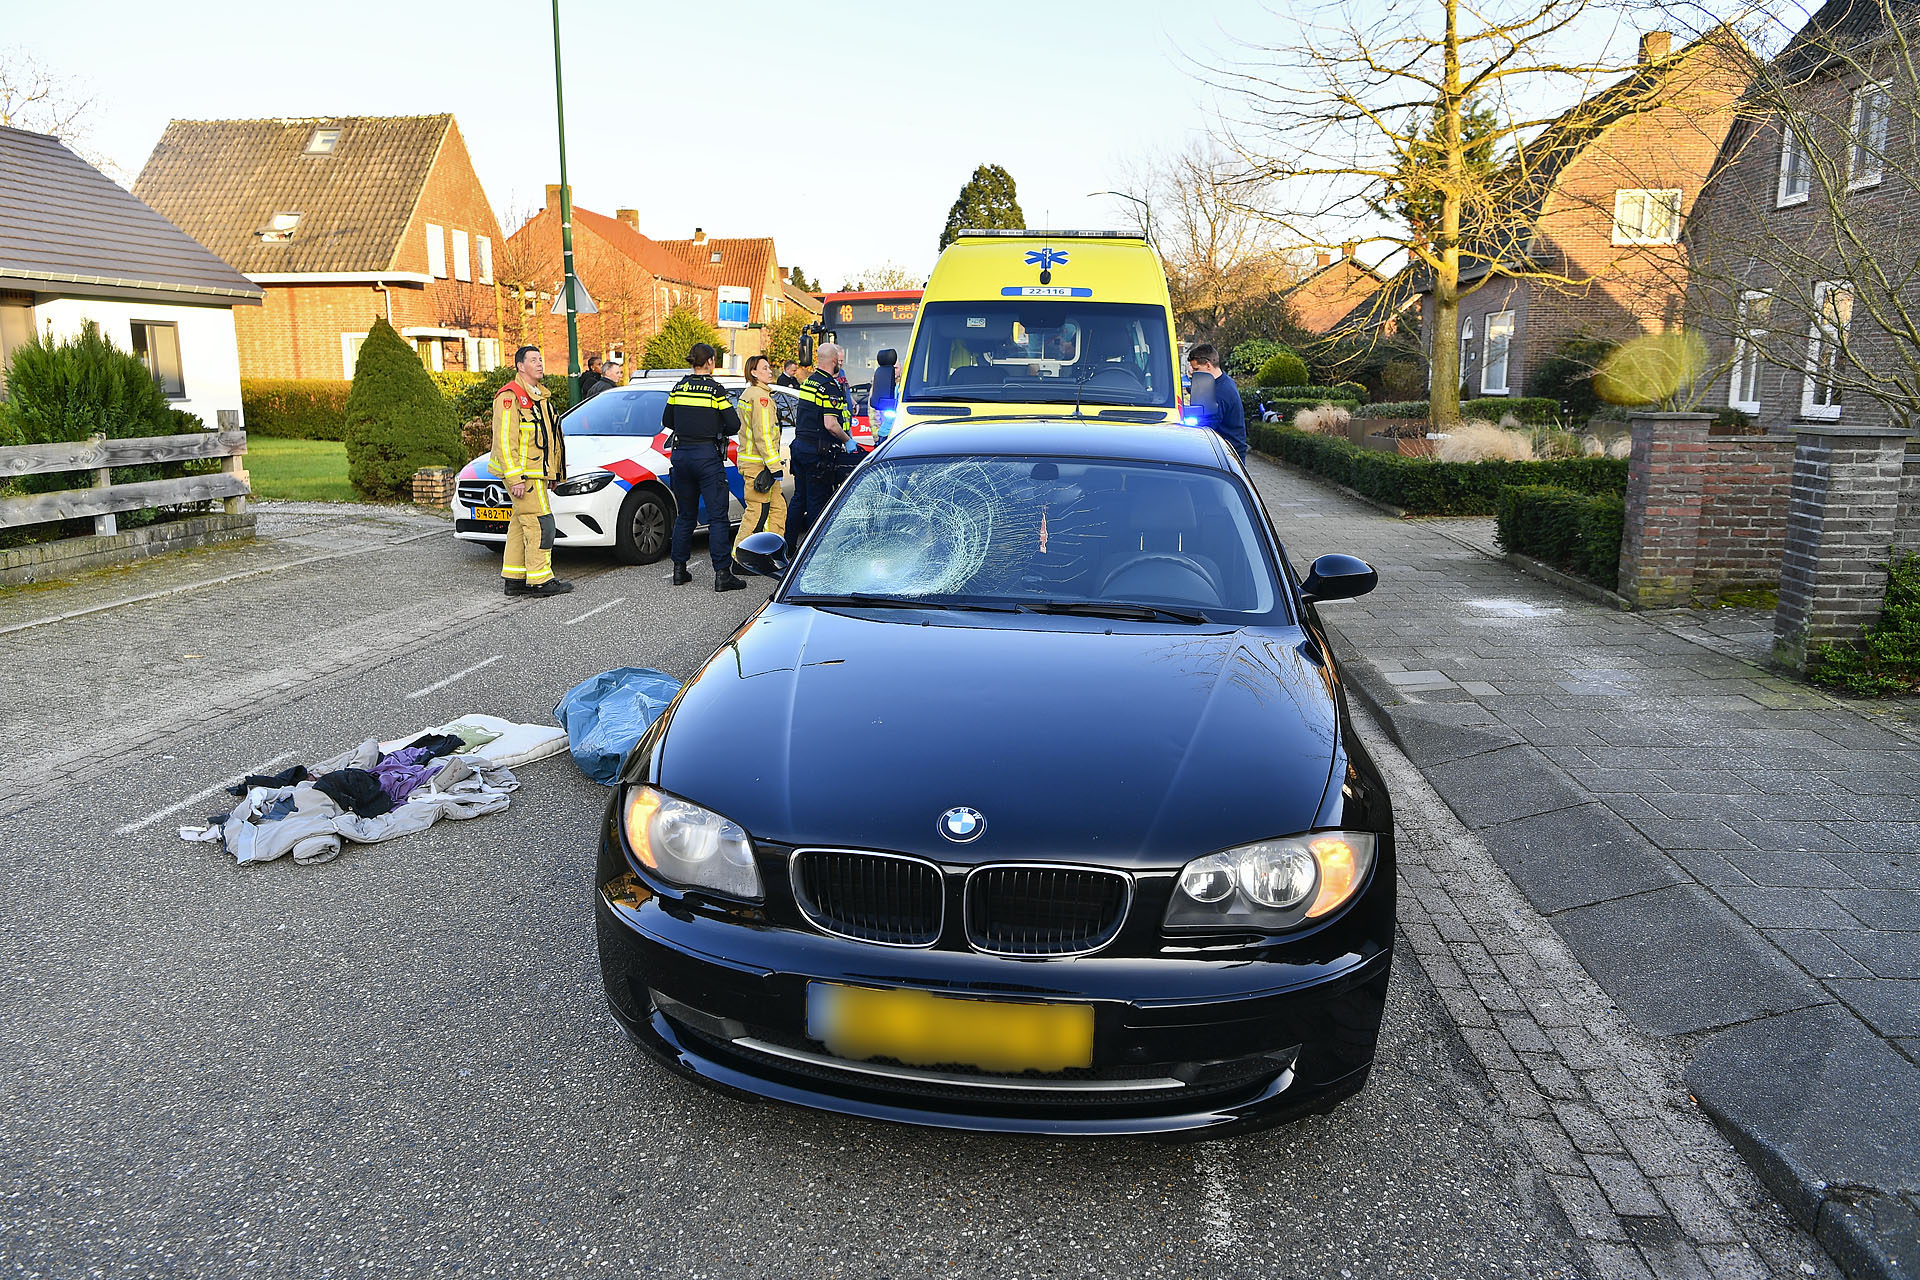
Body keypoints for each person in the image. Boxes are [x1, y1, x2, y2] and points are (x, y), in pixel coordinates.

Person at [661, 342, 746, 591]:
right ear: (709, 361)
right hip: (707, 457)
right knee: (718, 517)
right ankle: (722, 575)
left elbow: (667, 420)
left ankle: (679, 570)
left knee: (685, 515)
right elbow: (733, 425)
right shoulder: (715, 391)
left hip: (681, 455)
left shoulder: (679, 388)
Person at [491, 345, 573, 596]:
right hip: (524, 476)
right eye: (533, 360)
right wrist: (514, 477)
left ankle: (514, 579)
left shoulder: (539, 396)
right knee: (541, 523)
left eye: (541, 359)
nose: (540, 364)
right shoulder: (510, 397)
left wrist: (554, 474)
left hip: (536, 473)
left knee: (520, 524)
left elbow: (549, 440)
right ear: (520, 366)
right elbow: (506, 441)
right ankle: (540, 580)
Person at [787, 341, 852, 546]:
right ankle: (815, 552)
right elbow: (831, 424)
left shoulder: (808, 382)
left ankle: (789, 547)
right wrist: (848, 440)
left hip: (800, 448)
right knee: (817, 502)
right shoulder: (829, 387)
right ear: (834, 361)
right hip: (817, 453)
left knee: (798, 500)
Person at [733, 355, 788, 558]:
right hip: (759, 466)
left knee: (777, 509)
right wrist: (775, 466)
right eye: (764, 368)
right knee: (756, 513)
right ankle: (739, 558)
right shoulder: (760, 398)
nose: (770, 371)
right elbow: (763, 434)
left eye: (769, 367)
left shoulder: (754, 394)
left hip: (758, 465)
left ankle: (771, 554)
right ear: (753, 373)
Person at [1187, 343, 1247, 461]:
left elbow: (1207, 428)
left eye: (1196, 369)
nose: (1193, 373)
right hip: (1228, 452)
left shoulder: (1219, 392)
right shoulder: (1224, 382)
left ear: (1208, 365)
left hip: (1227, 457)